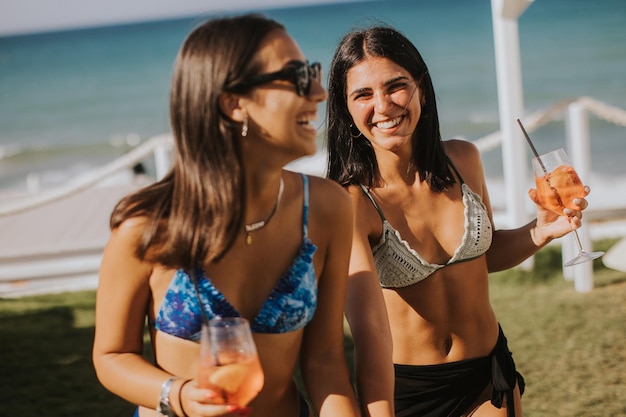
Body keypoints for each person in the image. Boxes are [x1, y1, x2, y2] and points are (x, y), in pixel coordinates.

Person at [93, 14, 360, 417]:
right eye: (298, 76)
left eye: (314, 72)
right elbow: (112, 355)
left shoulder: (328, 207)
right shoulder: (146, 227)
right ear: (234, 103)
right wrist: (178, 396)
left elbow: (325, 360)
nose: (320, 92)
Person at [326, 26, 591, 417]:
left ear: (422, 90)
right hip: (409, 390)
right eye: (363, 95)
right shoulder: (350, 202)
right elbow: (368, 337)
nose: (382, 107)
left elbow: (485, 255)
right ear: (346, 110)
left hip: (486, 375)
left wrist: (539, 232)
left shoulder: (463, 159)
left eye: (395, 86)